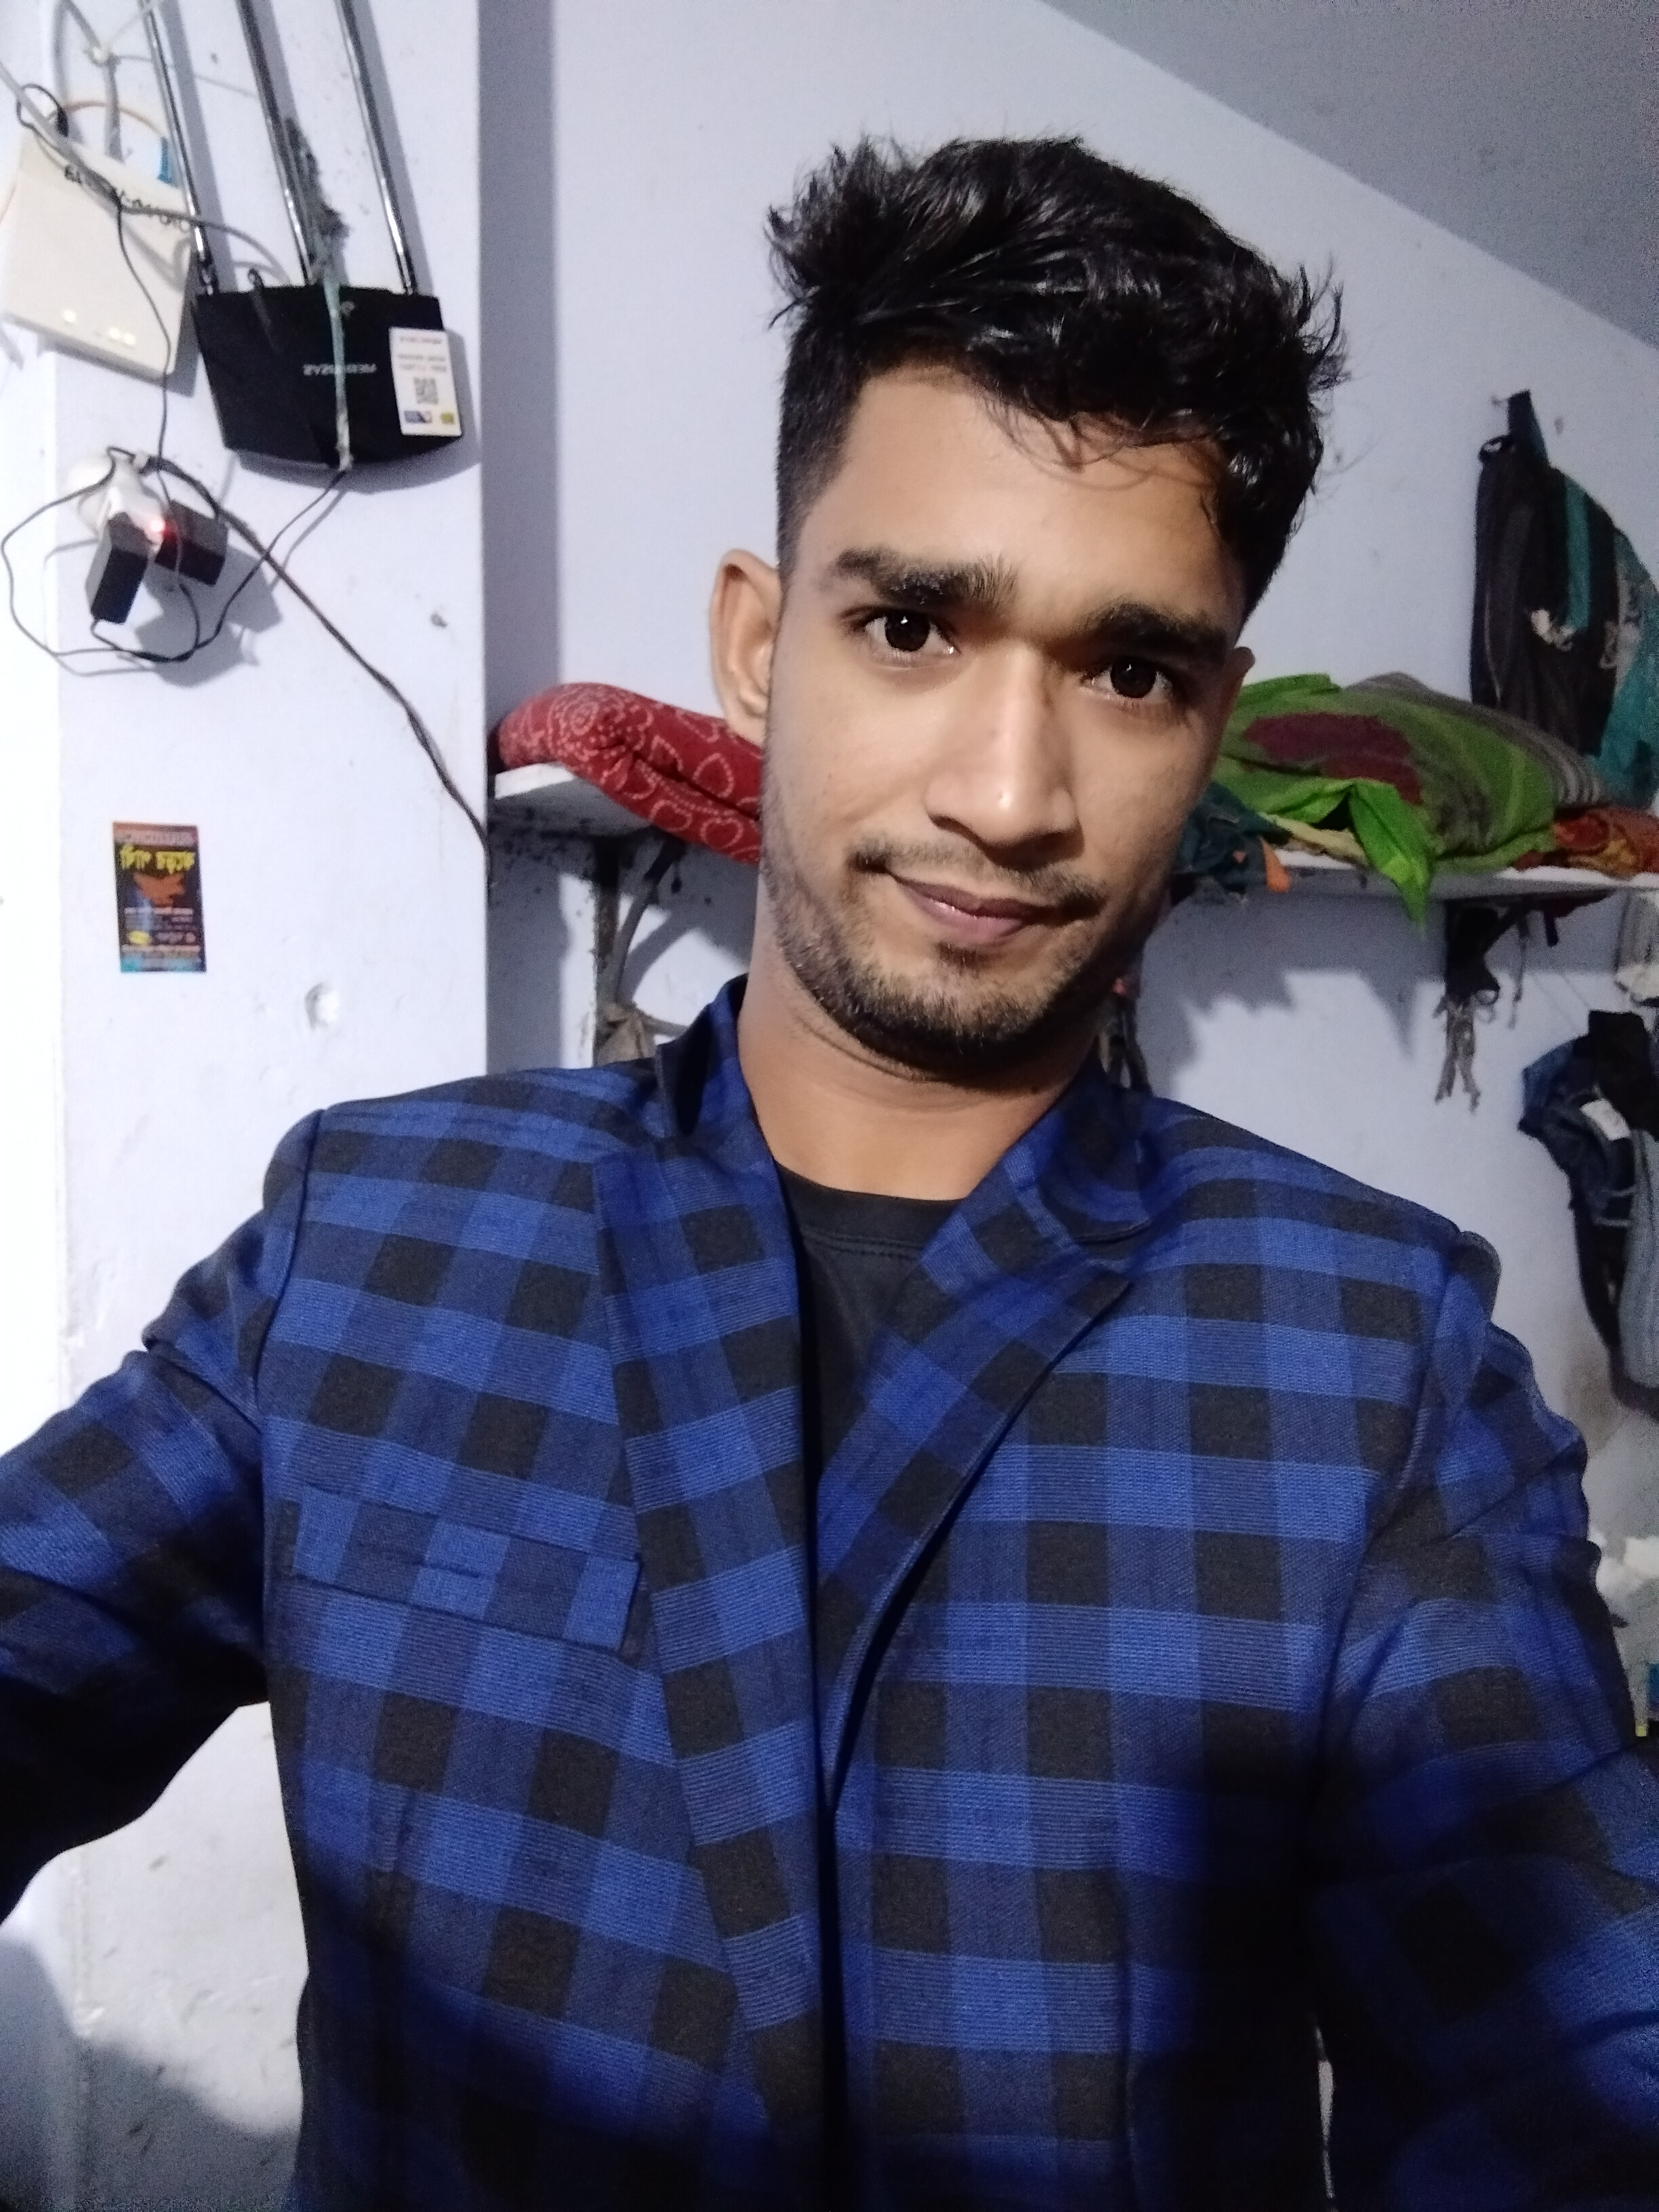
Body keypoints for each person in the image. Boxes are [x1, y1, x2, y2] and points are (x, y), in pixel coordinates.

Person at [2, 135, 1656, 2212]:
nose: (1009, 794)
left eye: (1128, 671)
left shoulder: (1364, 1352)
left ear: (1213, 722)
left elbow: (1569, 2036)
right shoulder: (381, 1236)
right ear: (761, 647)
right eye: (912, 627)